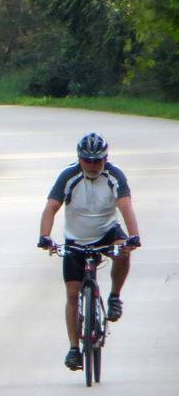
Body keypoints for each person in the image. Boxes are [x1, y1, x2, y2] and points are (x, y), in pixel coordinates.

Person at [37, 132, 141, 371]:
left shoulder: (114, 175)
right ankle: (74, 348)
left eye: (98, 160)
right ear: (79, 158)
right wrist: (45, 236)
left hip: (106, 231)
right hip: (76, 238)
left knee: (124, 251)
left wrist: (134, 236)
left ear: (106, 158)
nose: (93, 165)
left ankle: (114, 296)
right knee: (72, 295)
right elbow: (51, 208)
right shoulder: (69, 176)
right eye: (88, 160)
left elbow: (126, 207)